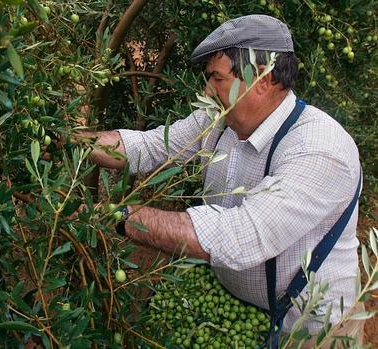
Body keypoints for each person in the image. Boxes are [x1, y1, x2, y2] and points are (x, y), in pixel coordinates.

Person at [78, 15, 364, 347]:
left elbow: (241, 236)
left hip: (311, 332)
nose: (206, 90)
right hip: (242, 309)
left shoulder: (319, 149)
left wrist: (120, 217)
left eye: (216, 77)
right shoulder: (217, 122)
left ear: (262, 78)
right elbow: (150, 147)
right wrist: (72, 140)